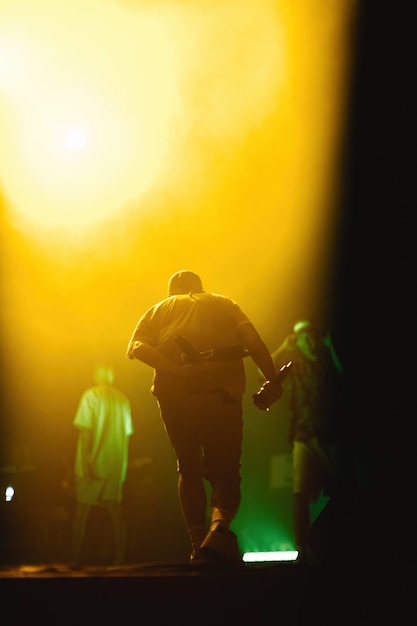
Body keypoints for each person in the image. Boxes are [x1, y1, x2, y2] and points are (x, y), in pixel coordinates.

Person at [126, 270, 277, 567]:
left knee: (188, 467)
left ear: (172, 291)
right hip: (222, 398)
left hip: (176, 400)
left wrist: (176, 370)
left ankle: (198, 546)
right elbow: (254, 342)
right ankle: (217, 531)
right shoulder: (224, 303)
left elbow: (138, 348)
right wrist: (273, 380)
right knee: (226, 473)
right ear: (201, 287)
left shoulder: (157, 309)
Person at [266, 319, 344, 564]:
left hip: (330, 435)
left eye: (311, 337)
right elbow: (262, 376)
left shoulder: (328, 362)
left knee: (342, 489)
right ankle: (302, 549)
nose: (307, 342)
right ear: (297, 341)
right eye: (302, 338)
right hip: (303, 435)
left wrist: (331, 349)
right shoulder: (295, 365)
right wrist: (282, 348)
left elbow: (346, 376)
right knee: (300, 493)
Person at [70, 364, 134, 567]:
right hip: (115, 465)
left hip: (91, 464)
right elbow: (127, 434)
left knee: (81, 512)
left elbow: (86, 430)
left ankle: (73, 559)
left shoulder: (91, 395)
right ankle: (120, 559)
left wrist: (88, 461)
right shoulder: (123, 399)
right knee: (116, 512)